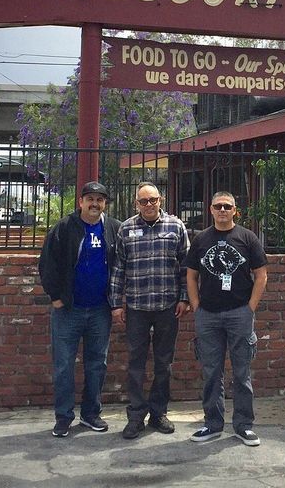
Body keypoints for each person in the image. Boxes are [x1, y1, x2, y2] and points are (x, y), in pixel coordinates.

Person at [109, 181, 190, 439]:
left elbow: (186, 267)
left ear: (161, 199)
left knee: (164, 363)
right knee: (135, 364)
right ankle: (135, 416)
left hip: (168, 306)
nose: (148, 205)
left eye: (153, 200)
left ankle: (158, 413)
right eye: (143, 201)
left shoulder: (176, 226)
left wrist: (184, 298)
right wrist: (115, 303)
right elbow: (118, 269)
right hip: (136, 307)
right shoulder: (126, 228)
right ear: (136, 204)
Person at [38, 181, 120, 438]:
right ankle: (63, 417)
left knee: (97, 364)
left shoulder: (113, 228)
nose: (95, 204)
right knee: (63, 365)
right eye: (90, 199)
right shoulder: (64, 227)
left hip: (100, 309)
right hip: (68, 310)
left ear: (105, 203)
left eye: (100, 199)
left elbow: (121, 264)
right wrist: (55, 297)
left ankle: (90, 414)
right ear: (81, 201)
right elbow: (47, 263)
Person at [186, 191, 268, 446]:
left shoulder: (247, 238)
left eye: (227, 206)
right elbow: (191, 275)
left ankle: (243, 425)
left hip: (239, 314)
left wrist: (250, 308)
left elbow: (261, 275)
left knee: (242, 372)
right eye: (218, 206)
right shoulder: (201, 239)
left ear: (235, 210)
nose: (222, 210)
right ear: (211, 210)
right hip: (208, 315)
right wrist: (196, 306)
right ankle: (212, 423)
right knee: (211, 372)